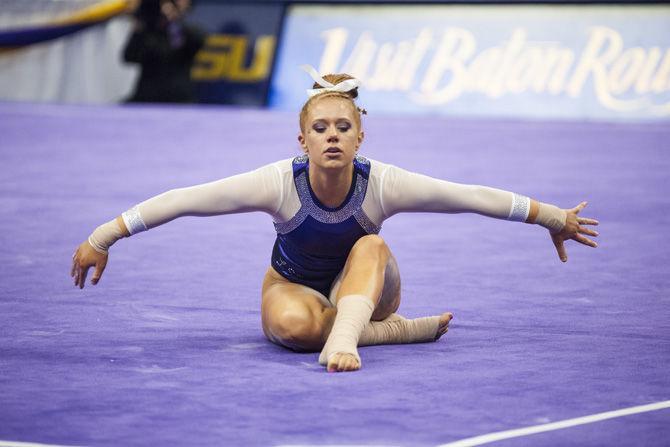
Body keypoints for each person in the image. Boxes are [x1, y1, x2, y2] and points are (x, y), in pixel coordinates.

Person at [71, 66, 599, 373]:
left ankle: (348, 340)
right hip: (293, 287)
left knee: (369, 246)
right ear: (302, 141)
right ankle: (395, 333)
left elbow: (467, 196)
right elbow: (187, 199)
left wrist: (551, 216)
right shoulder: (278, 182)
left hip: (369, 285)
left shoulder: (383, 182)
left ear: (359, 137)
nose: (331, 135)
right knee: (291, 328)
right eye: (319, 127)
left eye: (343, 127)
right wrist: (104, 236)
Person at [123, 0, 205, 103]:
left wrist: (174, 20)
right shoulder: (147, 32)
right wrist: (139, 25)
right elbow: (129, 56)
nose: (164, 11)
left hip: (179, 98)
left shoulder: (183, 33)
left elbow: (198, 41)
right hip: (147, 97)